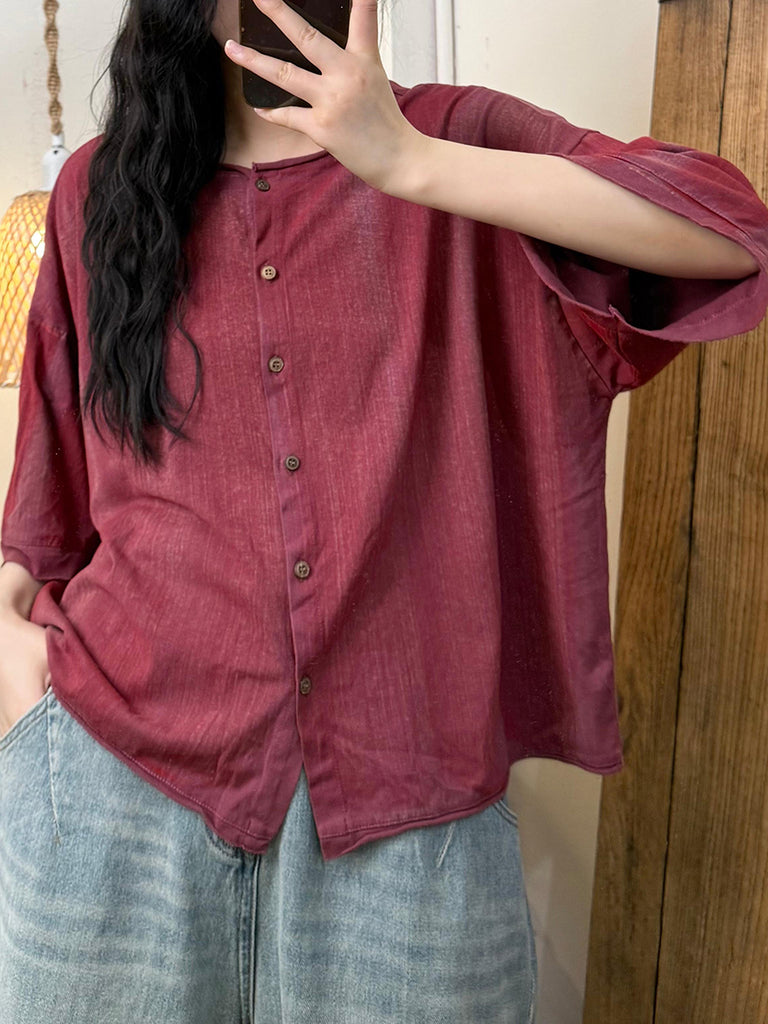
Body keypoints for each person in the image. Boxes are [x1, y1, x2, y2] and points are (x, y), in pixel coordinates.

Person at [1, 0, 767, 1021]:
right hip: (112, 794)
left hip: (410, 807)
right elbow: (53, 481)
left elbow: (733, 235)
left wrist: (408, 163)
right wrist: (11, 659)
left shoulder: (455, 140)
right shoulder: (100, 189)